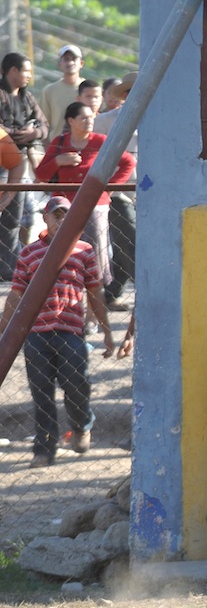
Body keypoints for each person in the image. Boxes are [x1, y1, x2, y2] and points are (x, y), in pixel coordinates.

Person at [0, 196, 115, 468]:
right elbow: (16, 294)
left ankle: (81, 426)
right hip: (36, 334)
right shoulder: (29, 253)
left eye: (67, 215)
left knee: (77, 385)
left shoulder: (84, 250)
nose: (61, 220)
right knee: (41, 393)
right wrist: (3, 330)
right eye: (57, 215)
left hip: (71, 332)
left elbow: (95, 291)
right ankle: (44, 449)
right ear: (45, 218)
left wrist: (107, 331)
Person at [35, 102, 136, 289]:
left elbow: (128, 162)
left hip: (94, 204)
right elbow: (41, 174)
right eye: (84, 118)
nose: (90, 121)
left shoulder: (101, 141)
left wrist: (107, 189)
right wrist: (58, 161)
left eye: (92, 117)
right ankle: (63, 289)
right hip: (64, 207)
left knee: (96, 249)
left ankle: (96, 293)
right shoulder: (60, 143)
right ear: (71, 121)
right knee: (62, 248)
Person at [0, 52, 48, 280]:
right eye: (26, 71)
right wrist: (16, 134)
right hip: (2, 159)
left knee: (13, 219)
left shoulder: (27, 97)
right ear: (13, 71)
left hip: (19, 164)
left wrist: (33, 133)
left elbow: (44, 125)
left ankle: (7, 269)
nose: (29, 75)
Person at [94, 71, 139, 309]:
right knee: (132, 243)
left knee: (124, 247)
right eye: (131, 91)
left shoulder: (160, 120)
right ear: (125, 94)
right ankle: (148, 293)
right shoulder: (105, 121)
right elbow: (92, 153)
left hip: (150, 192)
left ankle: (109, 295)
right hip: (117, 192)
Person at [41, 45, 85, 143]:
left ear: (81, 63)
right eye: (66, 59)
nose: (70, 63)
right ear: (59, 64)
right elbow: (44, 123)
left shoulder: (88, 90)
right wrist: (48, 148)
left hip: (84, 145)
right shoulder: (49, 90)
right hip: (57, 145)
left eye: (74, 59)